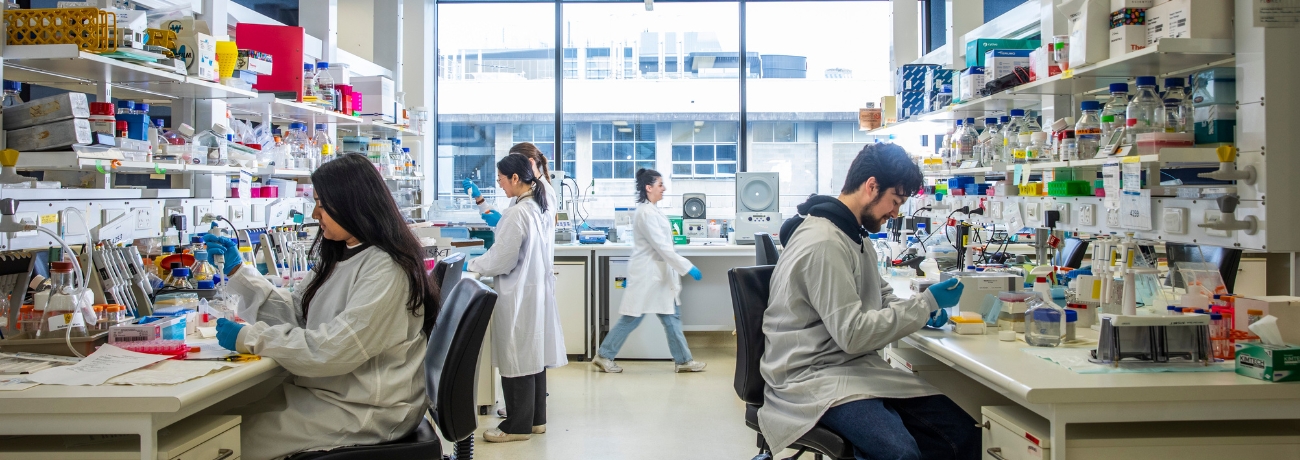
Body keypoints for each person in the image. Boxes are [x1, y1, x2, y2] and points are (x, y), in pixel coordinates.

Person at [208, 153, 439, 460]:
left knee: (227, 439)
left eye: (322, 203)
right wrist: (240, 274)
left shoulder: (385, 268)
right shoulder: (343, 253)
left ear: (351, 203)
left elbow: (334, 349)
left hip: (366, 406)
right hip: (340, 390)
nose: (316, 213)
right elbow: (298, 313)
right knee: (219, 419)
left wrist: (249, 338)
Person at [759, 143, 977, 460]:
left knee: (960, 434)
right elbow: (853, 334)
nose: (896, 212)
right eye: (895, 201)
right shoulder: (824, 242)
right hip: (813, 376)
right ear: (871, 186)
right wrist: (925, 305)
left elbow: (881, 294)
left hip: (848, 368)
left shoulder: (852, 235)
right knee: (899, 454)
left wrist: (924, 311)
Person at [466, 153, 567, 443]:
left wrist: (471, 265)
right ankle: (536, 421)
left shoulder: (518, 212)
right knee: (532, 354)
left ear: (514, 178)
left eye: (500, 180)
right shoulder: (534, 205)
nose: (499, 186)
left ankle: (516, 427)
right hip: (533, 289)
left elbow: (501, 259)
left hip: (518, 292)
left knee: (517, 356)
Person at [592, 168, 707, 374]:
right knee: (633, 317)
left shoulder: (652, 210)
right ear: (649, 187)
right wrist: (687, 266)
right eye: (660, 184)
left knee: (670, 316)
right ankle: (604, 355)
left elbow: (664, 247)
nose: (664, 188)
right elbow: (662, 248)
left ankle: (683, 360)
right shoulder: (645, 213)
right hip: (648, 274)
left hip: (657, 275)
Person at [463, 142, 557, 228]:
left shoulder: (544, 192)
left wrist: (502, 222)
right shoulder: (523, 190)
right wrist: (479, 198)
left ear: (530, 163)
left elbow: (533, 232)